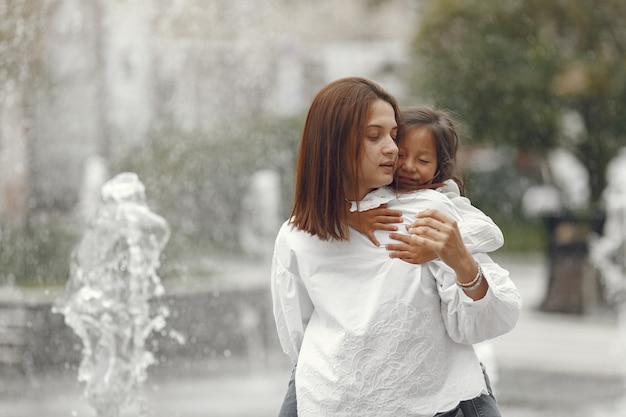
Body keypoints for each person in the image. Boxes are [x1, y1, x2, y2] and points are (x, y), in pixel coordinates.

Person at [271, 77, 522, 416]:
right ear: (332, 143)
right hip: (329, 403)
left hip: (434, 405)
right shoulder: (296, 236)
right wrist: (343, 215)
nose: (391, 149)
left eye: (393, 136)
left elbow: (486, 322)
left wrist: (462, 262)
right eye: (374, 136)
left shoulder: (427, 210)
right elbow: (298, 338)